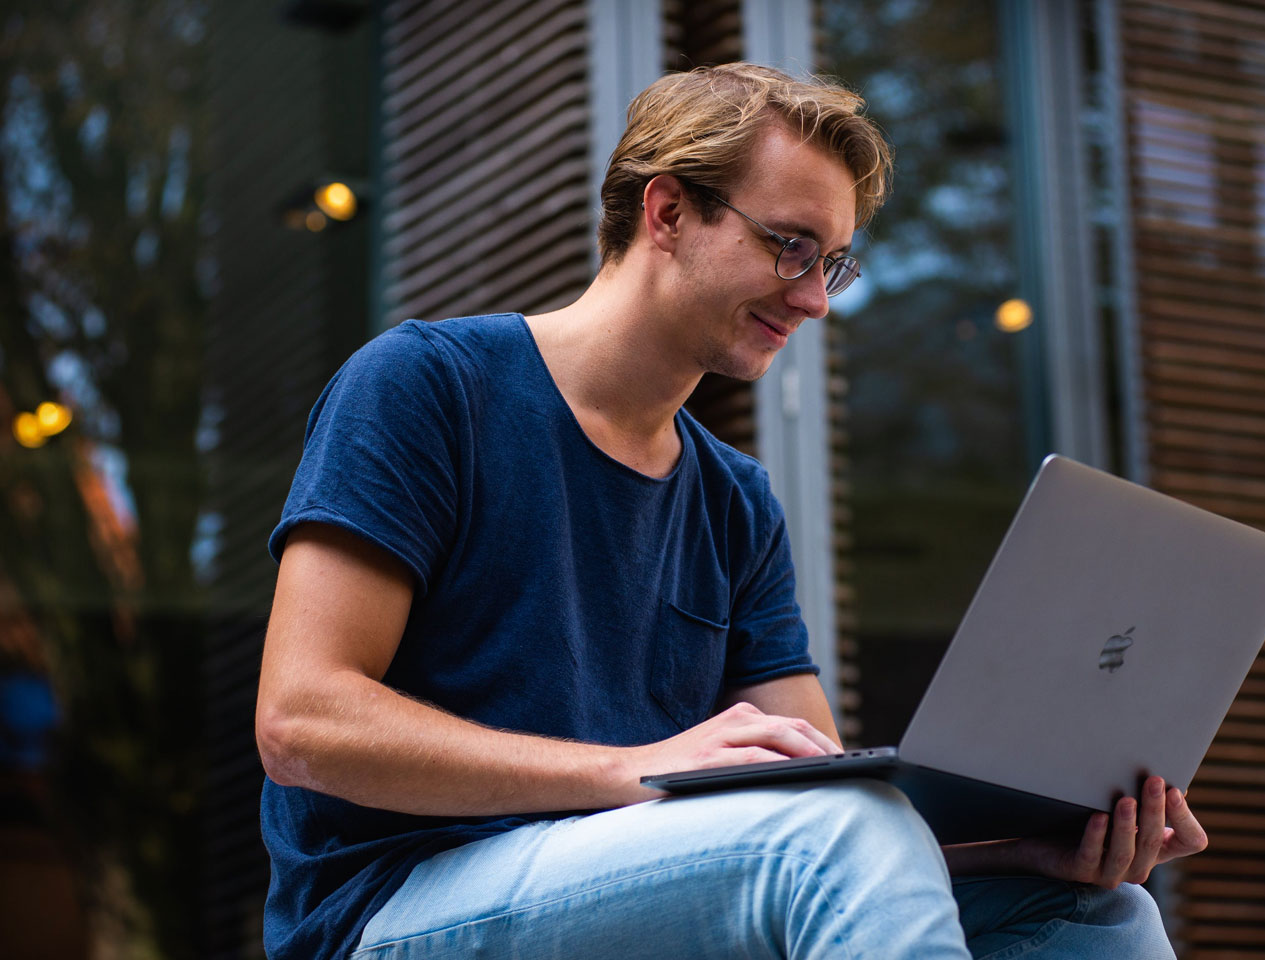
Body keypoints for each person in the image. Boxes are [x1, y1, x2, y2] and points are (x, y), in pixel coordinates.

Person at [255, 62, 1206, 960]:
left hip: (639, 889)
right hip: (395, 906)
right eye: (791, 245)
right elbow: (302, 725)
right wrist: (635, 770)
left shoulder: (735, 499)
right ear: (667, 211)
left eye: (833, 264)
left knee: (1098, 918)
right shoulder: (428, 387)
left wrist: (1017, 849)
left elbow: (827, 808)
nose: (813, 300)